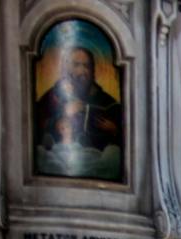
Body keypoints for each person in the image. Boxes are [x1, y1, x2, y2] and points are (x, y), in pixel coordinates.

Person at [33, 42, 122, 175]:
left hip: (96, 162)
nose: (82, 71)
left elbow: (125, 136)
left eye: (87, 66)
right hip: (61, 158)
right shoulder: (52, 97)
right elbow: (35, 129)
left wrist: (114, 130)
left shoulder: (107, 101)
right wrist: (62, 114)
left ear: (92, 71)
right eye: (76, 65)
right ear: (66, 69)